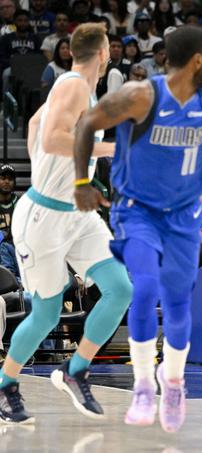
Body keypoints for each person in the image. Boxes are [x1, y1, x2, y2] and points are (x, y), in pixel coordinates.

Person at [73, 26, 202, 432]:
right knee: (144, 287)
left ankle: (173, 383)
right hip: (138, 212)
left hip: (185, 216)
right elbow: (85, 126)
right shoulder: (140, 95)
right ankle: (142, 386)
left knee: (177, 302)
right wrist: (82, 182)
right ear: (199, 59)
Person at [0, 23, 133, 425]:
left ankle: (75, 370)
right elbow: (53, 139)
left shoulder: (78, 91)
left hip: (77, 211)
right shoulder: (73, 85)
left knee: (119, 288)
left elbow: (37, 125)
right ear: (104, 52)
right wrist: (116, 148)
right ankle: (5, 384)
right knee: (46, 314)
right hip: (44, 216)